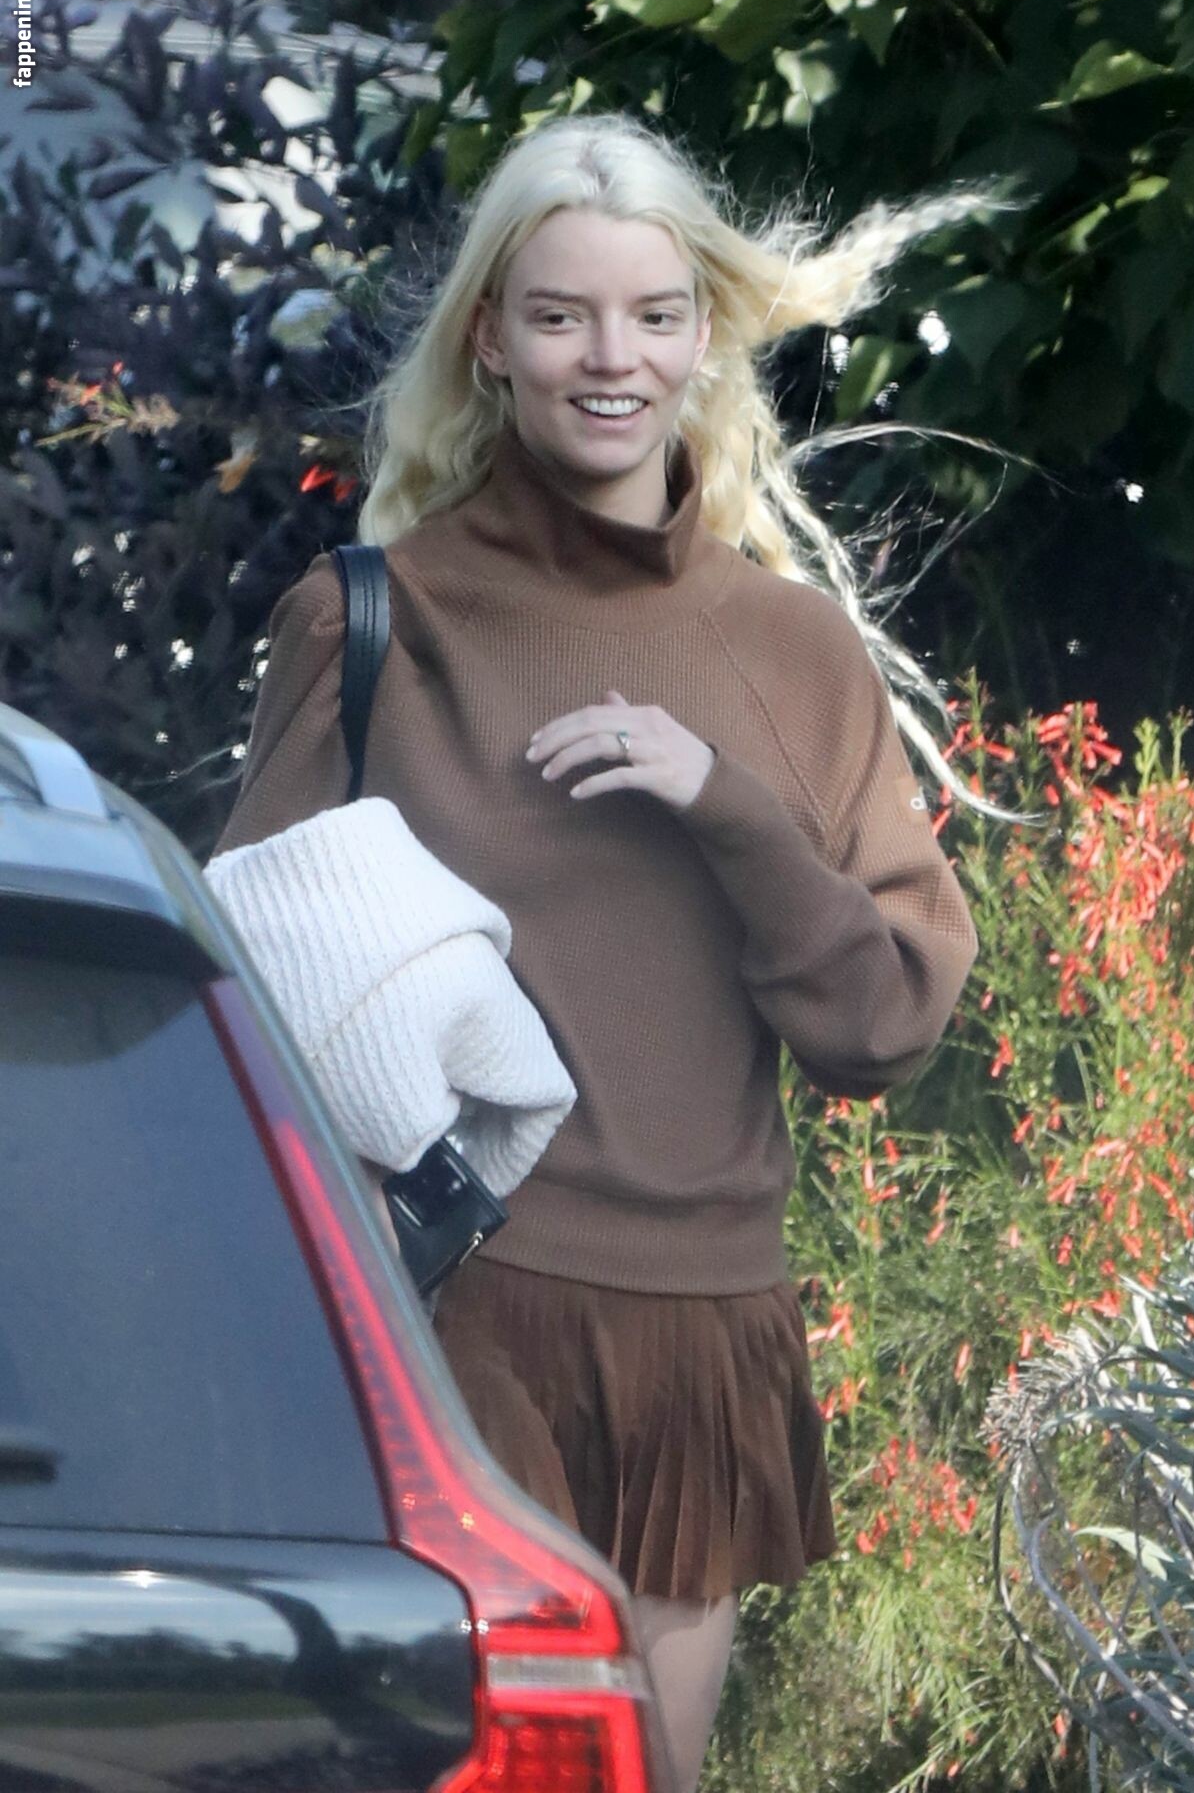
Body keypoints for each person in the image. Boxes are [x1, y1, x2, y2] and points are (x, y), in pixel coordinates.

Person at [208, 110, 994, 1793]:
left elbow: (881, 1029)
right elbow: (241, 1005)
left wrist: (722, 804)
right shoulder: (369, 622)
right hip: (438, 1321)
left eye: (652, 314)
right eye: (561, 315)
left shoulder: (793, 654)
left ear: (705, 338)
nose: (610, 358)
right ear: (491, 339)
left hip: (696, 1341)